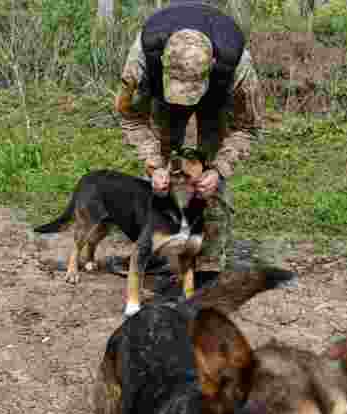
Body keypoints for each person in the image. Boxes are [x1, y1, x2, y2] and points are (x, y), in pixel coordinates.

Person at [113, 0, 264, 276]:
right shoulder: (142, 59)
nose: (185, 102)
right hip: (162, 97)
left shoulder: (237, 65)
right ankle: (153, 251)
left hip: (215, 100)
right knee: (157, 178)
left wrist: (219, 169)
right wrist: (154, 163)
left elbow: (248, 126)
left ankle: (208, 260)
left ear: (214, 63)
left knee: (209, 179)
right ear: (162, 62)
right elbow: (131, 116)